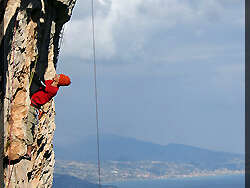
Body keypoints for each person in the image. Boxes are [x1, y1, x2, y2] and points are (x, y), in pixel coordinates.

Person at [24, 73, 71, 160]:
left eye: (58, 76)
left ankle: (28, 152)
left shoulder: (53, 90)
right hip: (31, 103)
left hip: (34, 107)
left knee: (28, 128)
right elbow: (43, 83)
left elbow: (41, 84)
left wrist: (33, 74)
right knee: (28, 127)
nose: (56, 75)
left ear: (59, 81)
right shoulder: (50, 83)